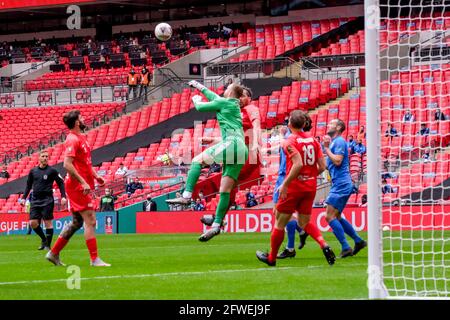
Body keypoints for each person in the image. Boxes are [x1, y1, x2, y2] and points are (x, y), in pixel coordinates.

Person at [166, 80, 248, 242]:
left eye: (227, 88)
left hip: (231, 144)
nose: (225, 89)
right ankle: (216, 225)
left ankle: (187, 195)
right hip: (241, 149)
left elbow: (200, 107)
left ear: (231, 92)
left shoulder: (224, 102)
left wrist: (196, 99)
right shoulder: (231, 104)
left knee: (197, 161)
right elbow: (213, 96)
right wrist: (199, 86)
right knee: (225, 190)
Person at [256, 110, 335, 267]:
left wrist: (285, 184)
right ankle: (323, 244)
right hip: (310, 186)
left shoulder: (289, 141)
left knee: (279, 222)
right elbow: (323, 166)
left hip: (294, 187)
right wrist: (310, 176)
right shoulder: (313, 140)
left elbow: (297, 164)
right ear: (305, 124)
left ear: (289, 124)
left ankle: (271, 258)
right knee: (304, 222)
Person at [46, 110, 110, 267]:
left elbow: (85, 163)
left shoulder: (81, 138)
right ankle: (94, 259)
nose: (83, 119)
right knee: (91, 220)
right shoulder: (72, 139)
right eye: (80, 118)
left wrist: (95, 176)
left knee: (77, 222)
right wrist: (83, 182)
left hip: (81, 183)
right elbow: (67, 164)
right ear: (76, 122)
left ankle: (53, 253)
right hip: (77, 186)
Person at [322, 119, 367, 258]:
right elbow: (325, 165)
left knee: (329, 216)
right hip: (339, 184)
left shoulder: (339, 141)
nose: (328, 125)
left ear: (339, 127)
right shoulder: (334, 143)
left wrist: (327, 149)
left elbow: (337, 160)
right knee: (337, 216)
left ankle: (346, 247)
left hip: (342, 184)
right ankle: (358, 241)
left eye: (331, 123)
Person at [19, 150, 66, 251]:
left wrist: (63, 196)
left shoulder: (52, 171)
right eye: (43, 156)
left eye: (46, 156)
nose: (45, 158)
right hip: (35, 200)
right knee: (33, 223)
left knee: (48, 222)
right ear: (39, 158)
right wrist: (23, 198)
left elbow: (61, 183)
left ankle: (48, 245)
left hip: (47, 199)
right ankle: (44, 239)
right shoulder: (33, 171)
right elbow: (28, 185)